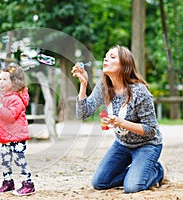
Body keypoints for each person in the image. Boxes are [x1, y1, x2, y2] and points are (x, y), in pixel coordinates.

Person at [71, 45, 167, 193]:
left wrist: (122, 123)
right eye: (106, 55)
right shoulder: (103, 87)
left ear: (124, 65)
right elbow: (83, 113)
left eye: (112, 57)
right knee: (99, 183)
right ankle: (139, 172)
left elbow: (151, 130)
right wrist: (83, 85)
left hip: (147, 145)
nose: (106, 58)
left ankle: (158, 170)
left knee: (132, 187)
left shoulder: (139, 91)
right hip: (122, 144)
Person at [0, 63, 35, 196]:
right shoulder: (4, 97)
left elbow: (10, 116)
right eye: (0, 79)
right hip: (6, 137)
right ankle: (8, 182)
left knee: (19, 159)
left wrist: (0, 107)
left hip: (18, 137)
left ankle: (28, 183)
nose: (1, 82)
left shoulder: (17, 99)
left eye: (4, 79)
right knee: (5, 160)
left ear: (14, 82)